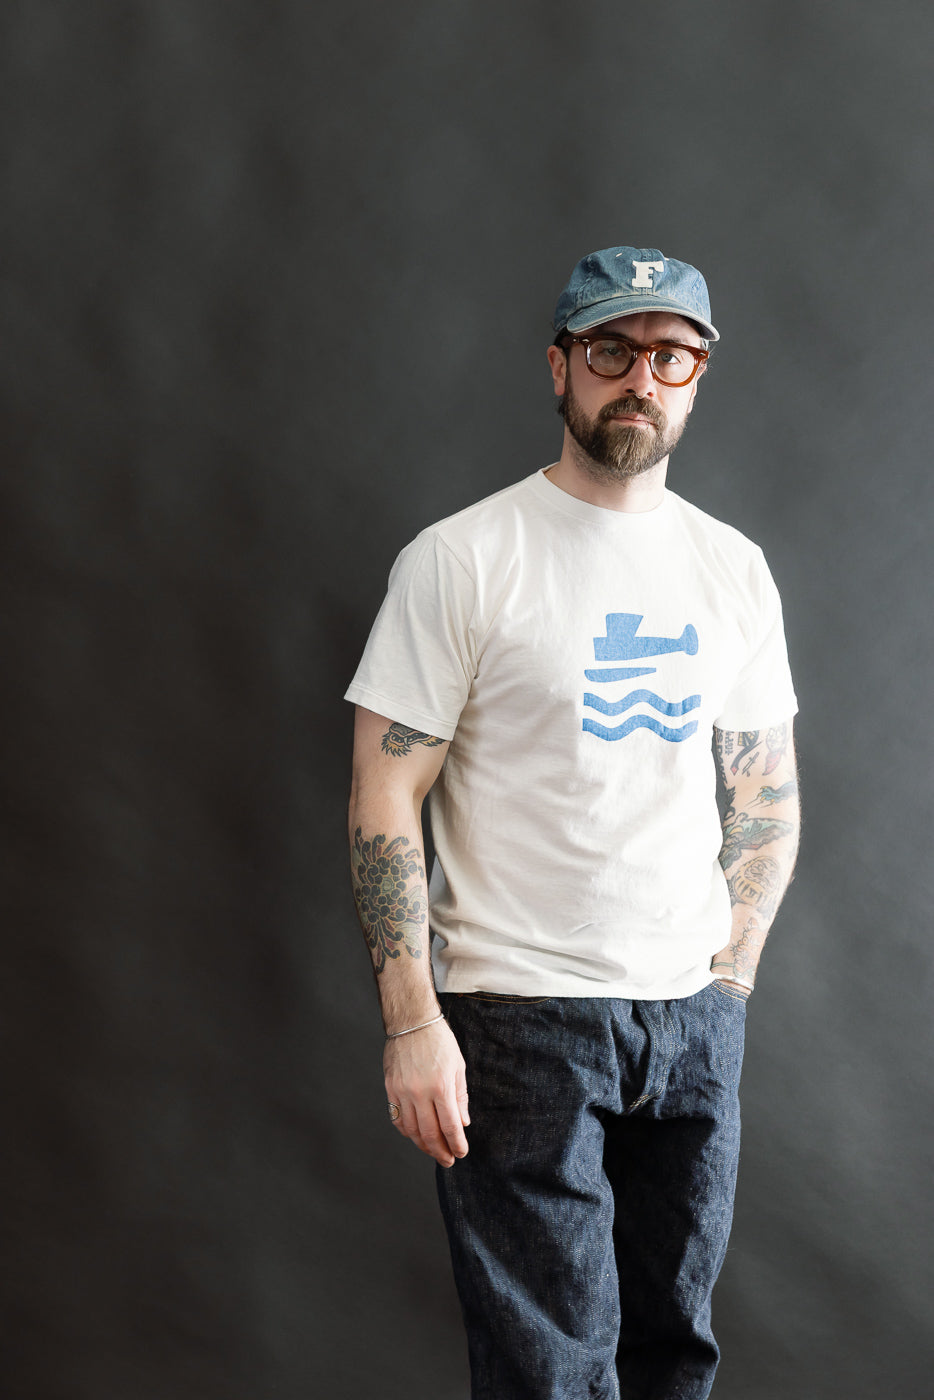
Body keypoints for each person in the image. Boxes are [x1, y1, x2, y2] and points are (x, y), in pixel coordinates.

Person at [345, 245, 800, 1400]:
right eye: (609, 350)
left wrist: (727, 992)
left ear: (696, 376)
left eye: (668, 355)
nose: (637, 378)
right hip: (517, 1022)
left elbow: (765, 797)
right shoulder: (461, 559)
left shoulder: (731, 569)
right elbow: (385, 790)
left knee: (672, 1354)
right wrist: (412, 1021)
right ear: (559, 368)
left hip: (690, 1026)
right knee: (552, 1371)